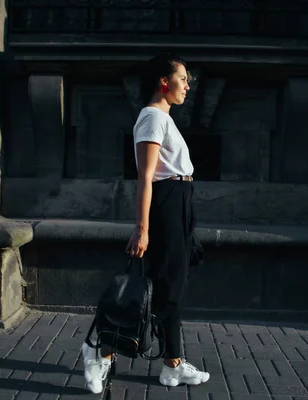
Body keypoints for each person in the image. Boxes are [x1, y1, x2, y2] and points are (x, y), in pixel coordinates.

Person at [80, 54, 210, 394]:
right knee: (143, 287)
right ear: (163, 82)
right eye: (183, 78)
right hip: (166, 204)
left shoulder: (164, 118)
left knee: (170, 287)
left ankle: (172, 365)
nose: (188, 84)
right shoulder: (152, 117)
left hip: (178, 203)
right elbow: (145, 176)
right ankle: (98, 350)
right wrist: (142, 227)